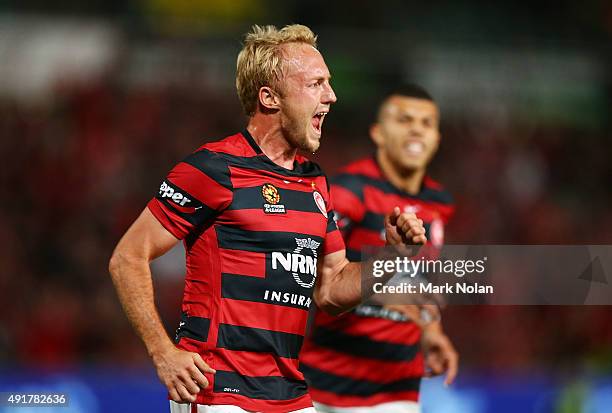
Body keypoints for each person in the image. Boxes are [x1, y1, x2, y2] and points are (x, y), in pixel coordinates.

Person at [108, 25, 426, 413]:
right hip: (219, 392)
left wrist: (394, 256)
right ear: (270, 97)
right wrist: (162, 351)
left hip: (290, 395)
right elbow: (128, 257)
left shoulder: (314, 182)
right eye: (316, 84)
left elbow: (331, 288)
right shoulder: (213, 168)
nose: (331, 96)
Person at [299, 85, 458, 413]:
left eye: (427, 123)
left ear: (437, 139)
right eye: (404, 120)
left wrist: (431, 330)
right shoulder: (348, 191)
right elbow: (313, 279)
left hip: (398, 389)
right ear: (378, 133)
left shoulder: (440, 202)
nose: (416, 129)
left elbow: (421, 281)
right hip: (326, 387)